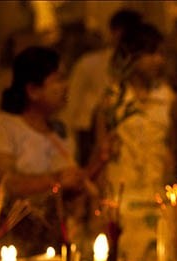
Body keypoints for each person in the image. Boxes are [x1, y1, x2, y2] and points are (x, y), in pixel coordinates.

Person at [0, 46, 104, 255]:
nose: (66, 87)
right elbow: (2, 184)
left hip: (55, 246)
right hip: (14, 248)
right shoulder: (2, 126)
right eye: (58, 79)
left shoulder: (61, 133)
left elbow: (70, 187)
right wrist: (55, 179)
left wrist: (98, 161)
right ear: (33, 90)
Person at [93, 22, 177, 261]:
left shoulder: (168, 98)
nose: (157, 60)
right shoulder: (112, 100)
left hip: (156, 190)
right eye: (150, 54)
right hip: (122, 191)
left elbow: (172, 146)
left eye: (161, 53)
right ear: (130, 57)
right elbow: (102, 149)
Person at [61, 9, 142, 166]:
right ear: (115, 32)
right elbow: (71, 103)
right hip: (88, 134)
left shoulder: (136, 66)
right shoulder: (90, 63)